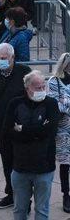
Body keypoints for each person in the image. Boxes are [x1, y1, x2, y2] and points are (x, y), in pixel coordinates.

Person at [5, 70, 60, 219]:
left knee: (42, 210)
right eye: (38, 87)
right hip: (20, 167)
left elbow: (49, 131)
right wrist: (37, 130)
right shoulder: (15, 104)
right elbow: (8, 131)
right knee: (19, 210)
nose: (42, 90)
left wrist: (22, 129)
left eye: (43, 86)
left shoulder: (51, 104)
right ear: (27, 88)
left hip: (44, 168)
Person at [0, 43, 31, 209]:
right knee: (7, 160)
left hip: (20, 125)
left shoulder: (24, 71)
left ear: (13, 58)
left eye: (4, 58)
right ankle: (11, 193)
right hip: (2, 124)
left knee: (20, 161)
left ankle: (25, 198)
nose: (0, 61)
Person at [47, 53, 70, 213]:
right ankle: (66, 194)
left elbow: (63, 104)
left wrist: (65, 103)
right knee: (65, 163)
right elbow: (55, 107)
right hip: (62, 130)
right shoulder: (53, 81)